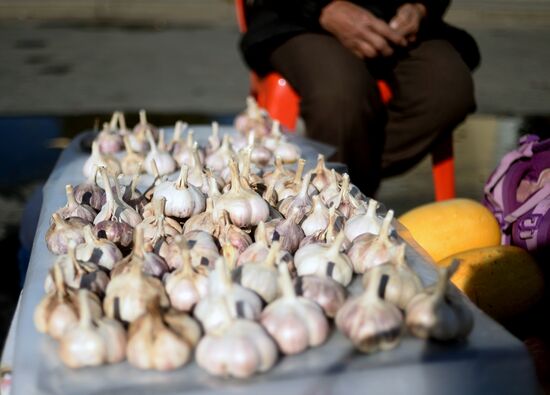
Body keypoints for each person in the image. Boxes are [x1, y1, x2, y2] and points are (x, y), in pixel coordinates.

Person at [240, 0, 480, 196]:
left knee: (448, 88)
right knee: (340, 94)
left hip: (392, 20)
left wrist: (420, 7)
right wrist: (322, 8)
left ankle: (346, 182)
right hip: (295, 17)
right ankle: (337, 197)